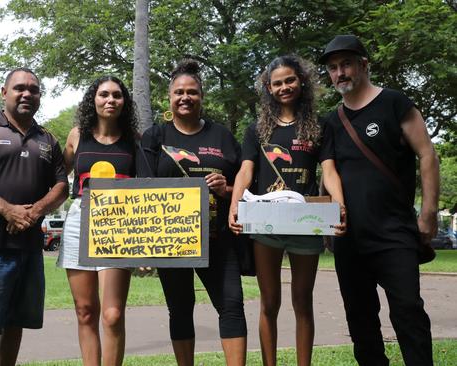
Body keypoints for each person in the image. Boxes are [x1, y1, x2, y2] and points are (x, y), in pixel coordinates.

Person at [319, 35, 439, 365]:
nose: (339, 73)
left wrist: (429, 213)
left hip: (394, 233)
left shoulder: (395, 103)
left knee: (408, 311)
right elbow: (329, 173)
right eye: (332, 68)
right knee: (360, 320)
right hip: (349, 239)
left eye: (345, 64)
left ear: (363, 65)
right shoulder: (331, 122)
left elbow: (427, 154)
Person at [227, 55, 346, 366]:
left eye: (289, 80)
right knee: (269, 303)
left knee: (302, 302)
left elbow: (329, 170)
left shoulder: (320, 126)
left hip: (306, 224)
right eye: (277, 83)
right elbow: (245, 171)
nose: (284, 87)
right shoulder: (257, 130)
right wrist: (235, 206)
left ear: (301, 81)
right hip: (265, 225)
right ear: (268, 87)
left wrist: (339, 203)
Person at [0, 67, 69, 366]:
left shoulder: (48, 140)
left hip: (30, 245)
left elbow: (61, 186)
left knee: (16, 321)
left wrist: (36, 211)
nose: (26, 94)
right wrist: (7, 209)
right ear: (4, 92)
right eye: (19, 88)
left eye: (33, 89)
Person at [139, 59, 247, 366]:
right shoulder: (155, 137)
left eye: (192, 92)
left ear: (202, 96)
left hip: (218, 241)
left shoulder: (222, 136)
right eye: (179, 92)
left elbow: (243, 185)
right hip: (173, 242)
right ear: (169, 97)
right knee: (180, 308)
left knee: (231, 305)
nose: (185, 97)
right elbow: (144, 189)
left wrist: (226, 189)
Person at [56, 76, 138, 366]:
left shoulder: (134, 141)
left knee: (112, 314)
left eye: (117, 95)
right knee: (86, 311)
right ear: (94, 99)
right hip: (80, 219)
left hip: (119, 225)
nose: (110, 100)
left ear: (124, 102)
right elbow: (58, 177)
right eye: (104, 94)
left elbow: (148, 189)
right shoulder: (77, 135)